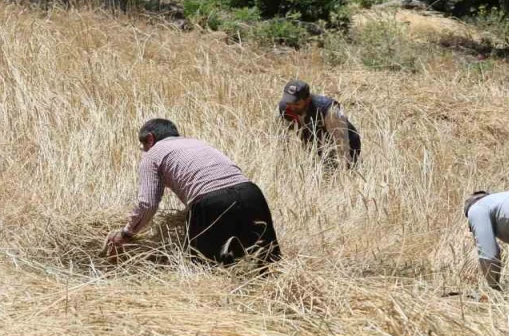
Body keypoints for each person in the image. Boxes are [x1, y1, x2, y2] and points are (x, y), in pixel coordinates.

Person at [106, 118, 281, 266]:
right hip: (251, 194)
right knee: (264, 263)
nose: (144, 151)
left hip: (211, 202)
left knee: (207, 268)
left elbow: (148, 203)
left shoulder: (153, 155)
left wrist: (126, 233)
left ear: (150, 139)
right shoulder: (198, 143)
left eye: (144, 145)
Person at [278, 79, 360, 166]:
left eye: (297, 104)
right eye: (289, 102)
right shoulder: (285, 108)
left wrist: (345, 168)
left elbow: (342, 141)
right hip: (317, 145)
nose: (292, 107)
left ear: (307, 100)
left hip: (347, 143)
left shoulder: (329, 111)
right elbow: (280, 137)